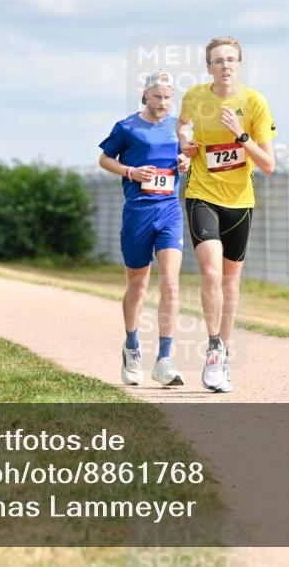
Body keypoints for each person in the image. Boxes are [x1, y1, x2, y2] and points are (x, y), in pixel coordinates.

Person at [177, 37, 276, 393]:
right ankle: (214, 346)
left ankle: (225, 352)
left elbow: (268, 165)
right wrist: (185, 145)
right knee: (211, 271)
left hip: (240, 202)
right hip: (202, 194)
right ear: (209, 68)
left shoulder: (254, 102)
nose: (225, 66)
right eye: (218, 61)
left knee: (230, 282)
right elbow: (183, 125)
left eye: (231, 59)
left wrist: (241, 136)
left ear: (239, 64)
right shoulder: (195, 97)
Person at [99, 70, 190, 387]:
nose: (163, 102)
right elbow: (104, 159)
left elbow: (186, 156)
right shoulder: (127, 127)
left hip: (169, 211)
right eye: (158, 96)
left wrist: (186, 163)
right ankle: (132, 347)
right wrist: (130, 171)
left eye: (168, 97)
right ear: (145, 95)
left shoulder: (178, 127)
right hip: (138, 212)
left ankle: (164, 359)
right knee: (138, 285)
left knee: (171, 283)